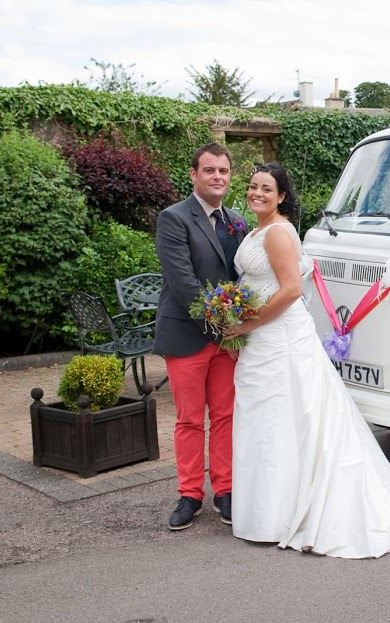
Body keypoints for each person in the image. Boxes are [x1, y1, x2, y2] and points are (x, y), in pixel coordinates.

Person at [224, 163, 390, 558]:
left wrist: (245, 324)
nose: (257, 193)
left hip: (279, 338)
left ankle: (282, 513)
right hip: (263, 339)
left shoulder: (277, 233)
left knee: (285, 419)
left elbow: (290, 290)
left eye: (266, 189)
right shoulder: (257, 229)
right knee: (273, 422)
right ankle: (268, 512)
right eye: (253, 186)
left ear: (281, 196)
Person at [154, 143, 246, 530]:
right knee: (190, 420)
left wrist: (240, 326)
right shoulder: (173, 218)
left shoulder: (237, 221)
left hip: (227, 340)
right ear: (193, 175)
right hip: (187, 334)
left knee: (225, 417)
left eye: (223, 171)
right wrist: (222, 325)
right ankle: (190, 494)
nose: (217, 177)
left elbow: (242, 277)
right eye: (209, 170)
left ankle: (224, 491)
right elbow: (183, 282)